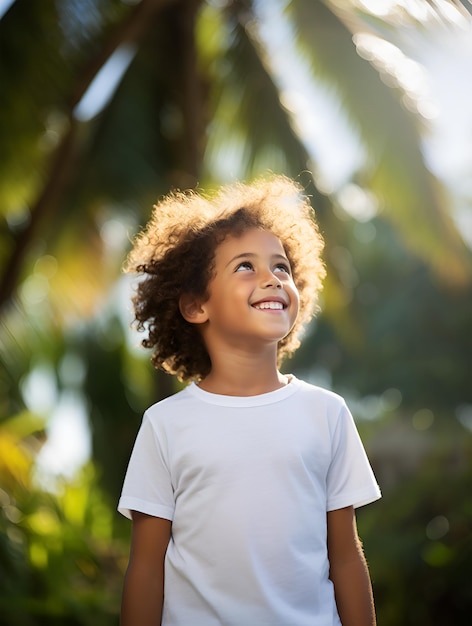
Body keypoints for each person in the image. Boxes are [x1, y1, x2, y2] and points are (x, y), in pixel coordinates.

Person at [118, 174, 381, 626]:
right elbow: (146, 566)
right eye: (245, 266)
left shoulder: (327, 413)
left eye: (282, 267)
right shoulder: (165, 425)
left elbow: (345, 556)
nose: (273, 279)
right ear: (196, 306)